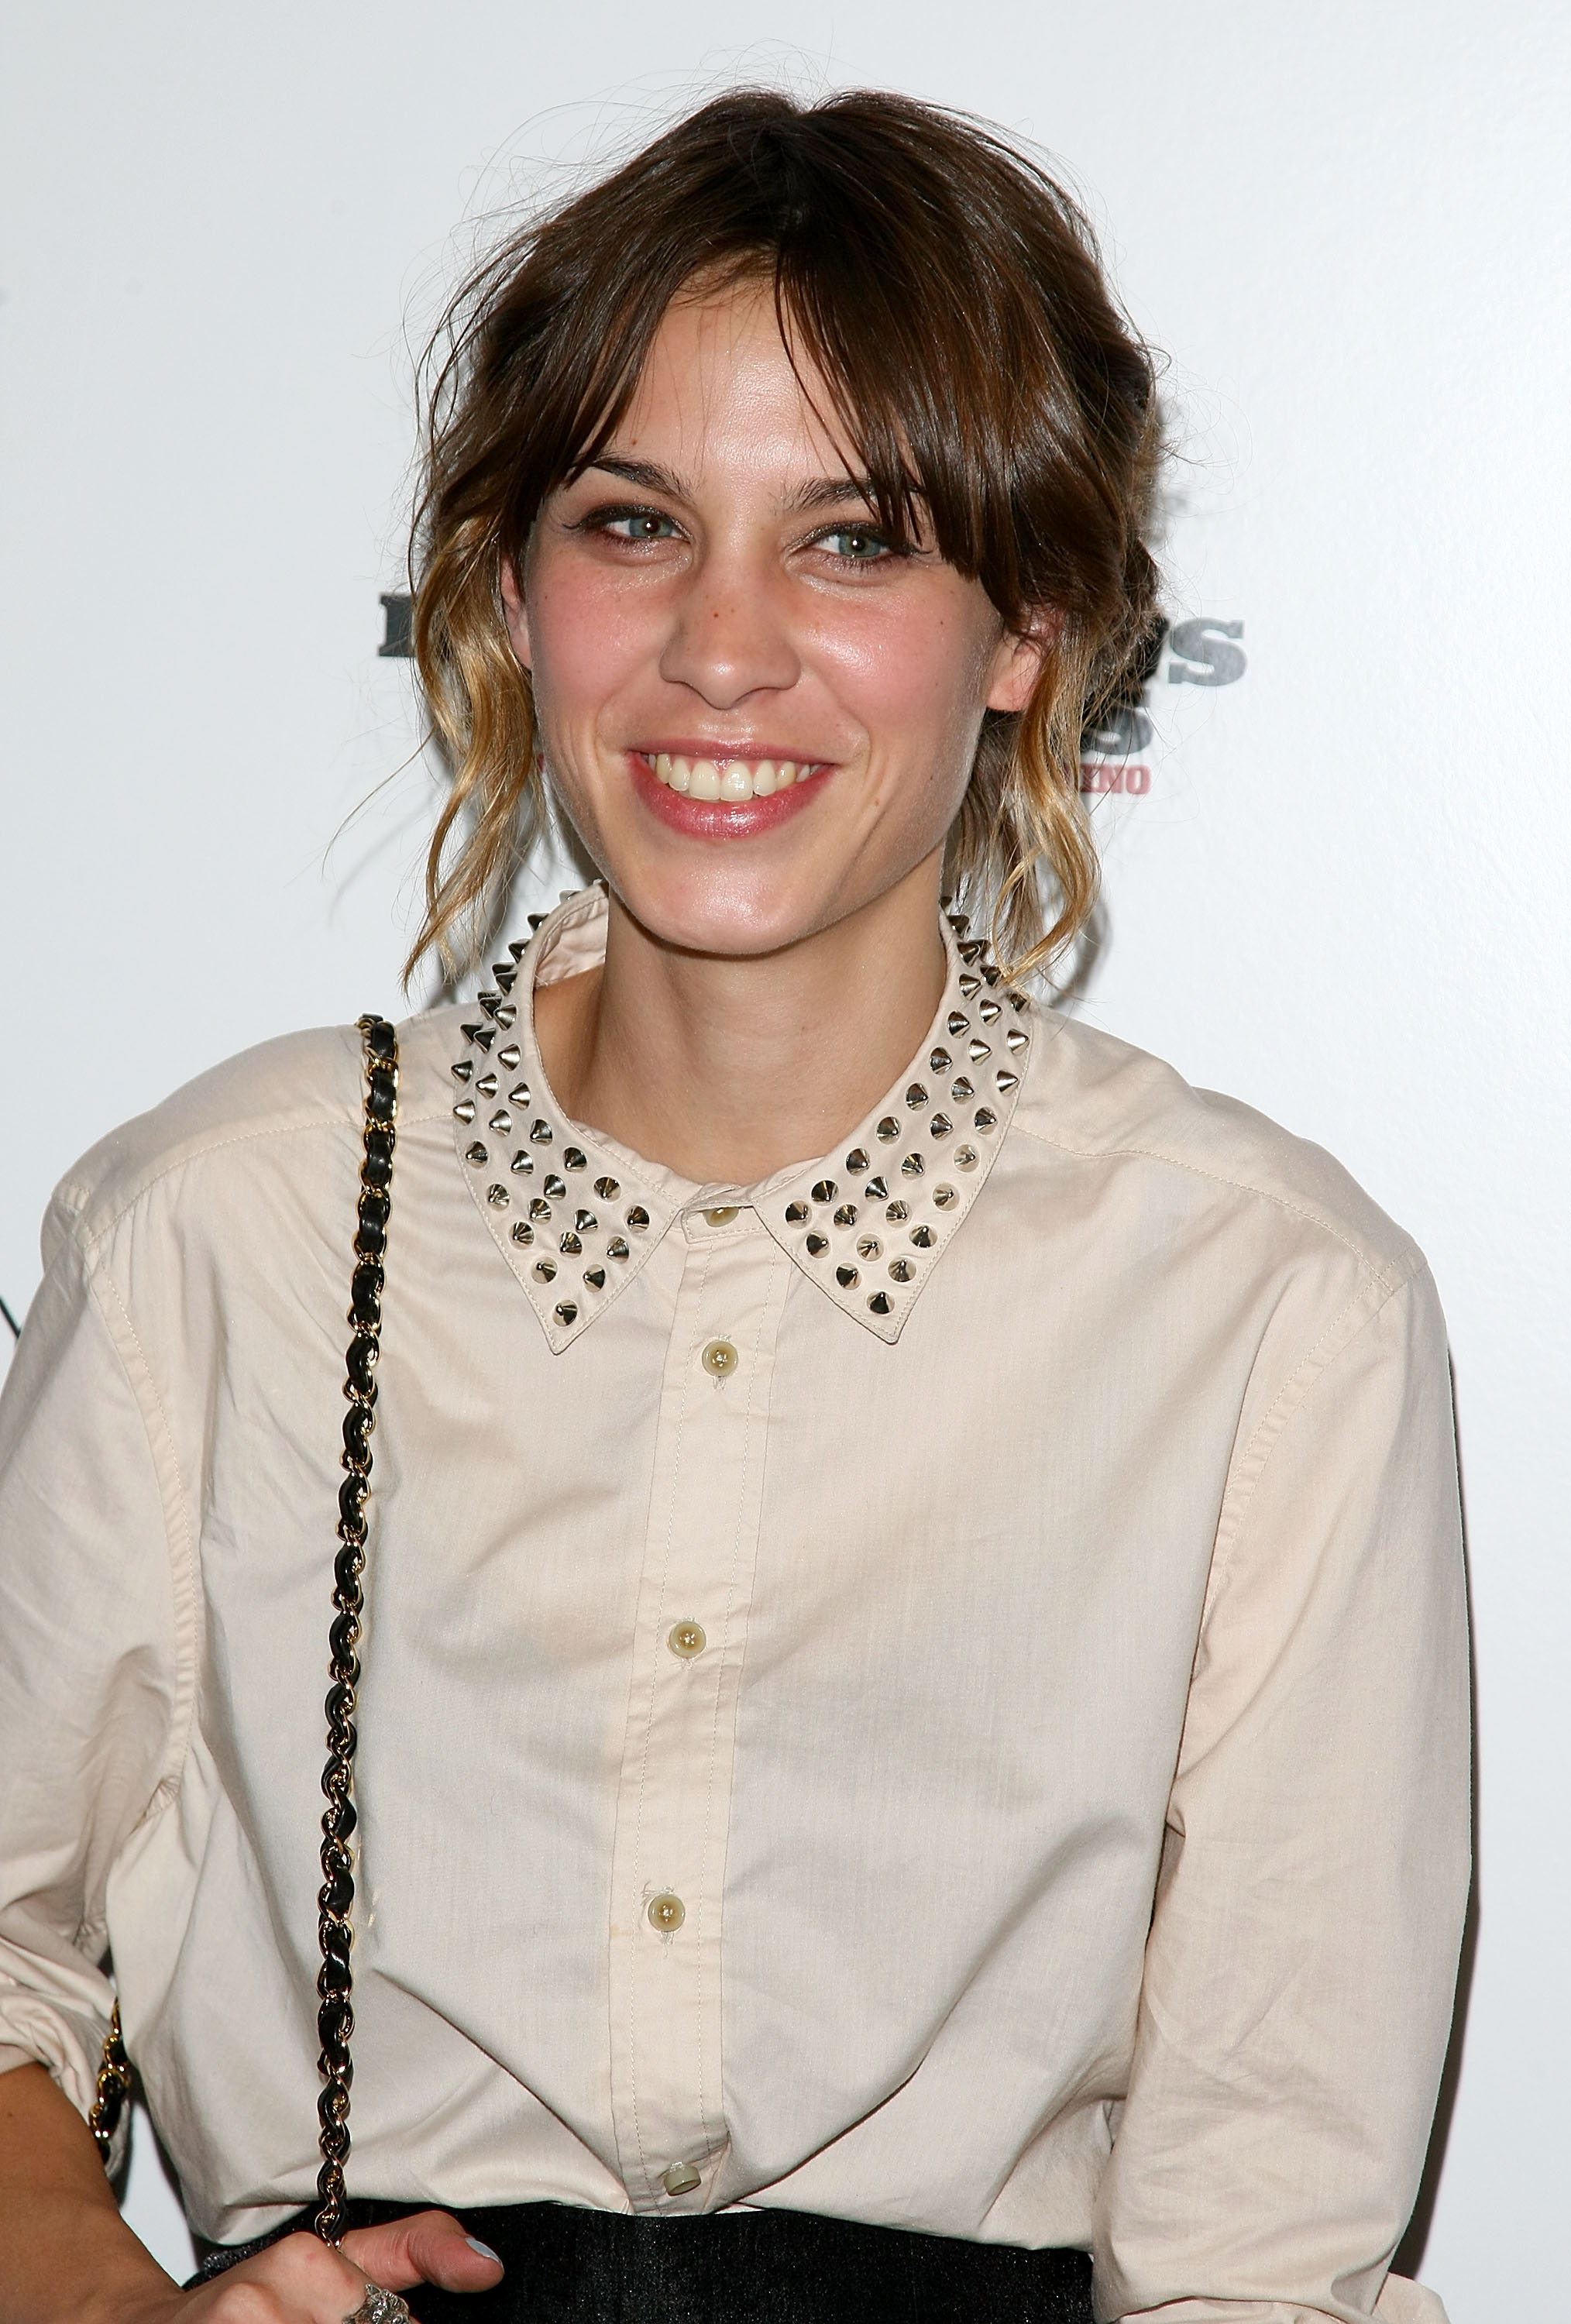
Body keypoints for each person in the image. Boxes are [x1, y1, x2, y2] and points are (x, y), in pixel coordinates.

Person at [0, 87, 1469, 2324]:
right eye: (634, 523)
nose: (721, 646)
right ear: (512, 593)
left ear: (1029, 629)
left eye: (854, 539)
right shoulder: (216, 1229)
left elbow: (1260, 2249)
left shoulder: (1268, 1305)